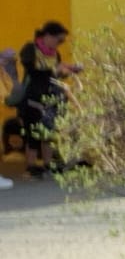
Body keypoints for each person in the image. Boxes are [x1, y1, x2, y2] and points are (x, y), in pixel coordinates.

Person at [13, 21, 77, 178]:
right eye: (59, 40)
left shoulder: (56, 54)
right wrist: (54, 70)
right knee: (33, 133)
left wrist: (67, 71)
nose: (59, 44)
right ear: (48, 35)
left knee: (48, 133)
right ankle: (31, 166)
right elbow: (32, 71)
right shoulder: (30, 49)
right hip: (32, 97)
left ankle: (48, 164)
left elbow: (53, 77)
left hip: (50, 97)